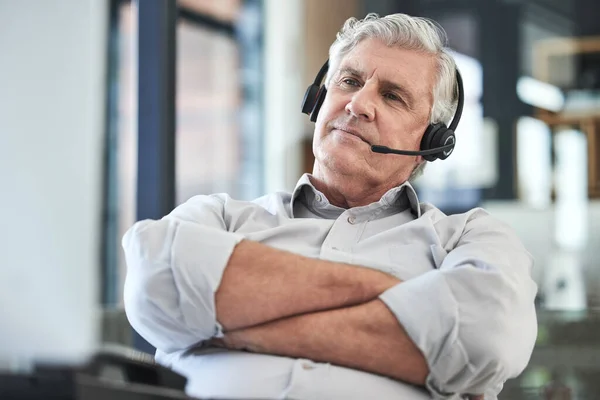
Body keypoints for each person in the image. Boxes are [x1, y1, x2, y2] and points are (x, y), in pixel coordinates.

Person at [123, 13, 538, 400]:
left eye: (392, 96)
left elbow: (487, 336)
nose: (358, 104)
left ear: (430, 144)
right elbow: (154, 285)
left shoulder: (469, 237)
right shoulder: (221, 217)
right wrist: (400, 299)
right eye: (349, 81)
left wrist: (243, 325)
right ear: (317, 100)